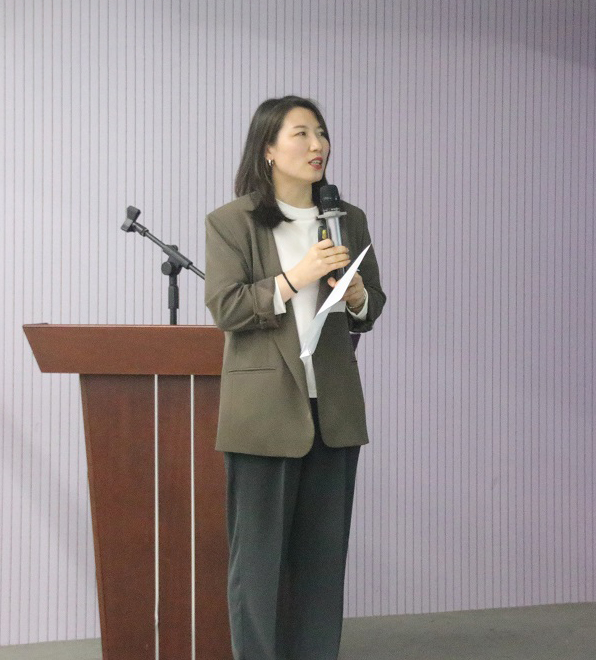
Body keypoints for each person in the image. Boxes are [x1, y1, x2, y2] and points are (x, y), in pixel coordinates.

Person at [205, 95, 386, 660]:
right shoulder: (232, 221)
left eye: (321, 133)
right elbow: (227, 307)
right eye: (301, 134)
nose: (317, 145)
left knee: (322, 565)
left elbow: (372, 305)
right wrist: (294, 277)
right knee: (256, 567)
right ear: (268, 148)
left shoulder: (347, 217)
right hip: (263, 415)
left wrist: (358, 297)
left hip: (332, 411)